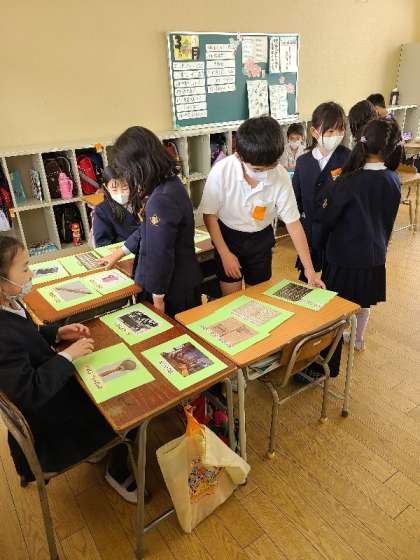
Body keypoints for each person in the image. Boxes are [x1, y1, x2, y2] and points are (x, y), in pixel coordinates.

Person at [0, 236, 137, 502]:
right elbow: (29, 392)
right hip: (50, 425)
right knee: (129, 404)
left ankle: (101, 450)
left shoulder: (11, 303)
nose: (31, 274)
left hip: (55, 397)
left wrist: (57, 333)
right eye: (25, 268)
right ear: (2, 282)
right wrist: (67, 357)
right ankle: (117, 470)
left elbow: (28, 334)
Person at [200, 116, 324, 296]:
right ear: (239, 156)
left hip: (260, 239)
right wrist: (224, 253)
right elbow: (209, 216)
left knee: (257, 297)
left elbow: (293, 224)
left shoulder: (280, 175)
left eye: (270, 167)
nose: (265, 173)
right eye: (258, 169)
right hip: (228, 237)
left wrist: (309, 270)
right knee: (231, 297)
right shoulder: (222, 171)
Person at [317, 118, 402, 351]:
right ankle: (357, 339)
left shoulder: (348, 180)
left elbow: (329, 218)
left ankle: (332, 344)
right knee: (363, 302)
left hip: (343, 256)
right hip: (374, 254)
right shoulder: (393, 179)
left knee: (335, 302)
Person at [100, 126, 202, 317]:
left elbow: (160, 253)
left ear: (139, 165)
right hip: (176, 281)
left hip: (170, 288)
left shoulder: (161, 198)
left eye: (126, 170)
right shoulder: (169, 183)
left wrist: (158, 296)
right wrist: (120, 253)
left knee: (171, 333)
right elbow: (147, 229)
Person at [292, 101, 351, 279]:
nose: (336, 135)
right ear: (314, 132)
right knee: (308, 284)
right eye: (330, 131)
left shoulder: (348, 159)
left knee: (335, 284)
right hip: (311, 235)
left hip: (339, 237)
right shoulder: (303, 162)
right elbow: (296, 200)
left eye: (340, 130)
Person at [92, 166, 139, 247]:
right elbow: (103, 243)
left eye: (124, 187)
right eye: (114, 189)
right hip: (123, 252)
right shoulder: (102, 210)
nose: (120, 193)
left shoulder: (140, 202)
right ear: (106, 187)